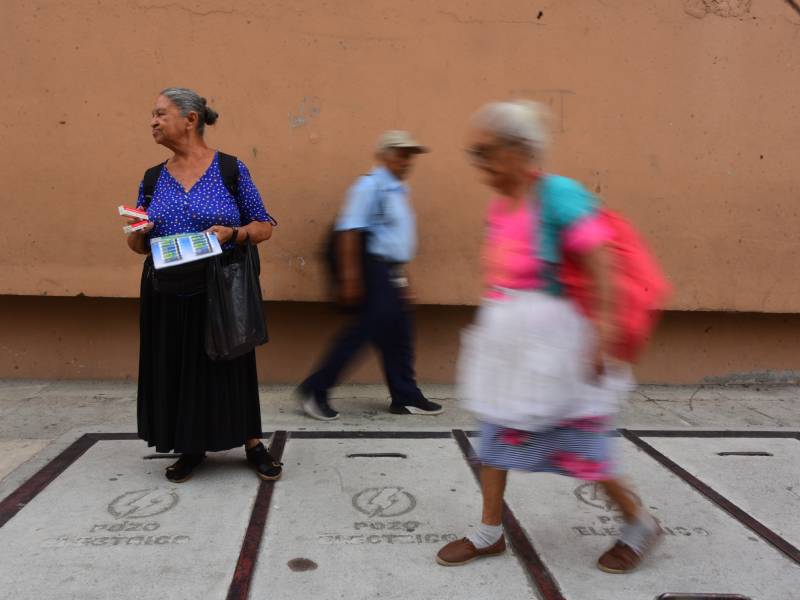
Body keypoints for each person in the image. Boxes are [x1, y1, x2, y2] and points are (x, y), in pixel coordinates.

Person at [436, 101, 661, 573]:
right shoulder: (501, 205)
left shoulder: (558, 195)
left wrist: (603, 332)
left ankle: (639, 523)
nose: (480, 165)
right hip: (512, 348)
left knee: (583, 448)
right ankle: (489, 532)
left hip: (559, 349)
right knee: (494, 436)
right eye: (475, 154)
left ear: (520, 151)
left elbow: (600, 260)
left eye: (486, 152)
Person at [124, 87, 282, 483]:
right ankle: (190, 445)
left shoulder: (230, 169)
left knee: (231, 365)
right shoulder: (152, 178)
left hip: (220, 289)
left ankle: (252, 443)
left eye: (161, 114)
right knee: (177, 367)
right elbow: (137, 243)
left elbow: (263, 225)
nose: (152, 122)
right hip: (166, 290)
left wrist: (234, 233)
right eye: (153, 115)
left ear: (190, 119)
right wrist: (138, 234)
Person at [297, 131, 443, 420]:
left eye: (410, 155)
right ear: (385, 155)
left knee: (399, 333)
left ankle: (405, 395)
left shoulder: (397, 190)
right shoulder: (370, 186)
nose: (407, 160)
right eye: (401, 154)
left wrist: (404, 279)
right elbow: (349, 231)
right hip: (372, 269)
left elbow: (393, 240)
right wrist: (350, 279)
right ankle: (315, 389)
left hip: (390, 270)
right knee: (363, 331)